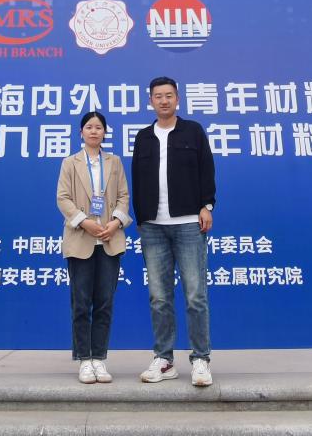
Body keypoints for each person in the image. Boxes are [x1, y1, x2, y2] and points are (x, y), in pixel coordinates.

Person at [131, 76, 216, 387]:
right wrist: (142, 217)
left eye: (169, 95)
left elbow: (207, 169)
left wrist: (207, 205)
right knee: (159, 297)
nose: (164, 100)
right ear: (150, 101)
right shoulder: (144, 137)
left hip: (189, 223)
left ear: (177, 99)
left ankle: (201, 359)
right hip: (153, 227)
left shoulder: (193, 131)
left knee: (195, 295)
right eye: (158, 96)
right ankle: (164, 359)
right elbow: (137, 178)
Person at [56, 110, 132, 384]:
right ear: (81, 132)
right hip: (81, 239)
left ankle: (99, 358)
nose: (94, 131)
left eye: (98, 127)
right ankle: (84, 359)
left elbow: (124, 196)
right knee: (81, 303)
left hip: (109, 240)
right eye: (89, 127)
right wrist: (84, 222)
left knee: (104, 302)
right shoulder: (70, 162)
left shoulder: (115, 162)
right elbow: (63, 198)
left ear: (104, 133)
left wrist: (116, 222)